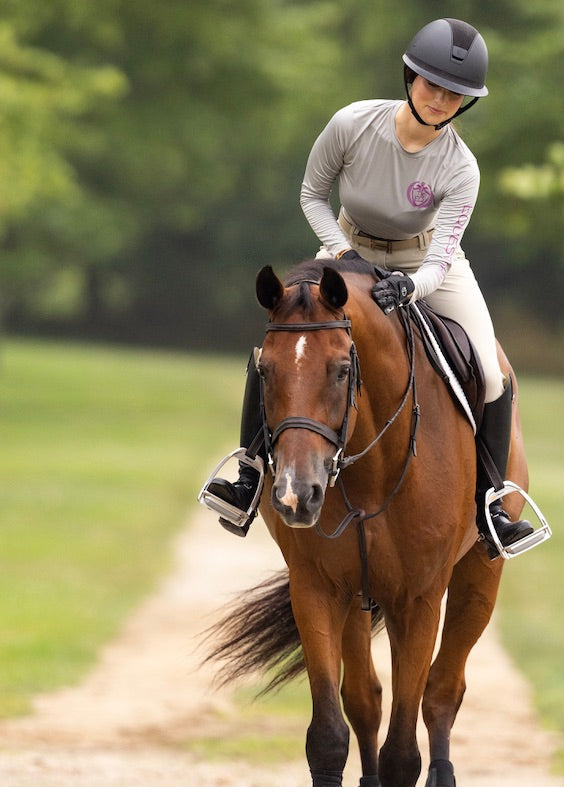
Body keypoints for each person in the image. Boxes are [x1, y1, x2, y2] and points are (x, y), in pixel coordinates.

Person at [202, 17, 533, 558]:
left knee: (492, 372)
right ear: (410, 77)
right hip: (345, 247)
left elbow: (443, 253)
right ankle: (248, 475)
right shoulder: (352, 124)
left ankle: (492, 504)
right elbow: (312, 195)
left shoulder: (462, 168)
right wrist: (339, 251)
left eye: (456, 94)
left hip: (426, 262)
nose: (442, 99)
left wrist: (411, 287)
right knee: (280, 345)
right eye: (432, 84)